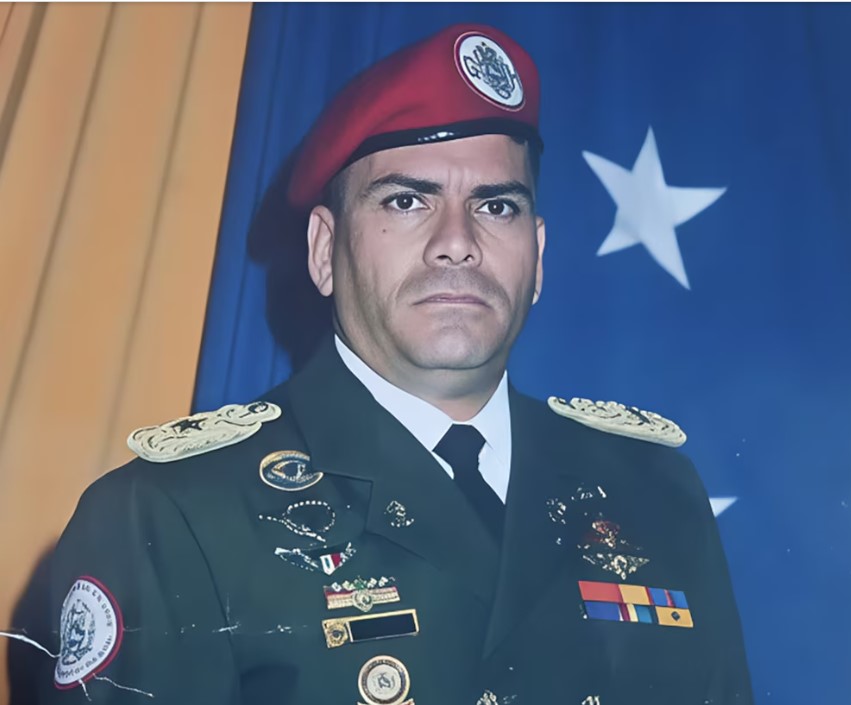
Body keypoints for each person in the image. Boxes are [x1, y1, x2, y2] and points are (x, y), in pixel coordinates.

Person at [36, 24, 753, 705]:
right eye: (407, 201)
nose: (457, 242)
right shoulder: (176, 513)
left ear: (537, 255)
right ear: (325, 250)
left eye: (496, 207)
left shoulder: (654, 491)